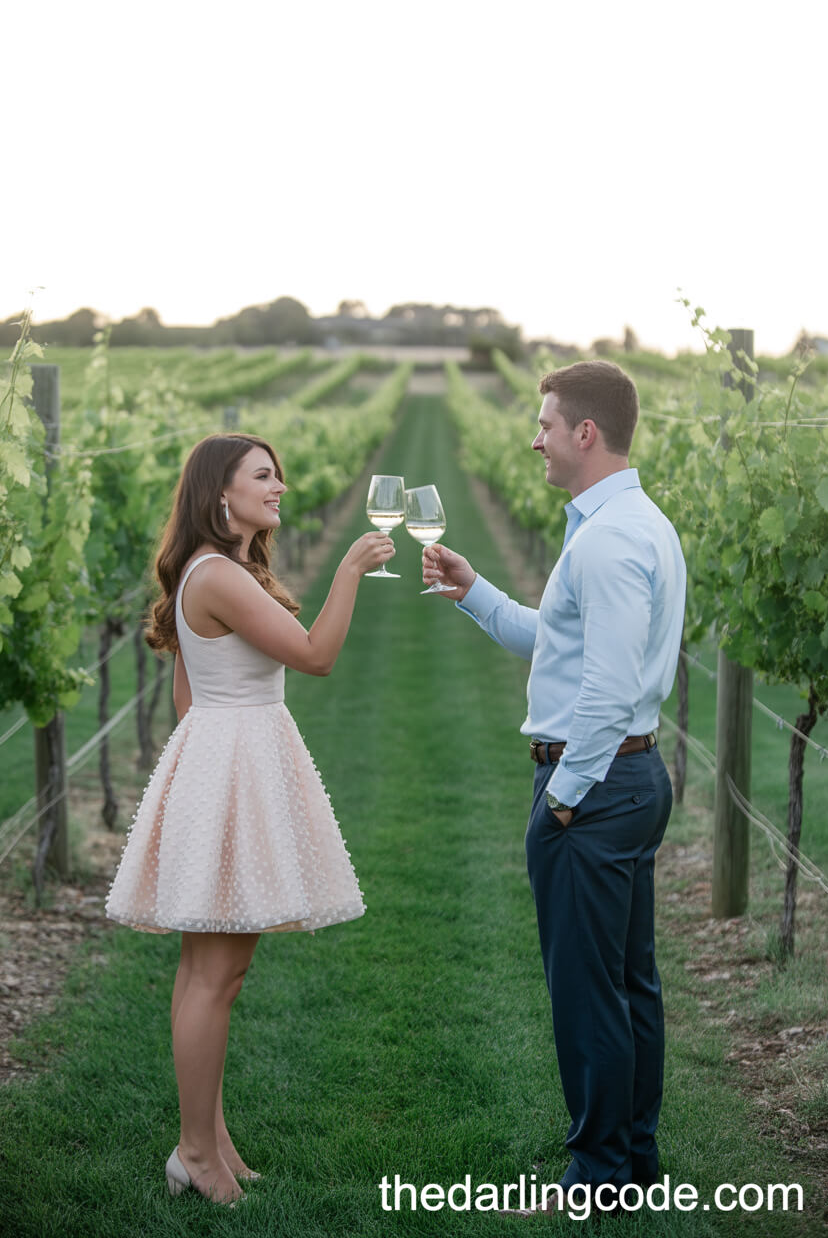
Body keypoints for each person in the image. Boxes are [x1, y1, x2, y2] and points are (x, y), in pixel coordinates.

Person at [105, 432, 395, 1205]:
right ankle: (196, 1154)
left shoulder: (217, 570)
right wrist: (350, 570)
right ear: (220, 493)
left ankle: (209, 1141)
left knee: (216, 970)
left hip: (228, 759)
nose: (280, 487)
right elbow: (316, 654)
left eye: (279, 475)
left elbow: (188, 695)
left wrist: (208, 768)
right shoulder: (220, 575)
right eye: (263, 476)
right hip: (234, 762)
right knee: (214, 973)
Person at [423, 361, 686, 1203]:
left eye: (544, 424)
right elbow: (561, 644)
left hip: (596, 788)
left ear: (585, 433)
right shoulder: (631, 524)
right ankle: (633, 1159)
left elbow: (605, 692)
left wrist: (564, 799)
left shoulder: (607, 540)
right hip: (630, 777)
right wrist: (477, 594)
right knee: (628, 984)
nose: (532, 439)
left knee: (588, 996)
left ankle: (600, 1173)